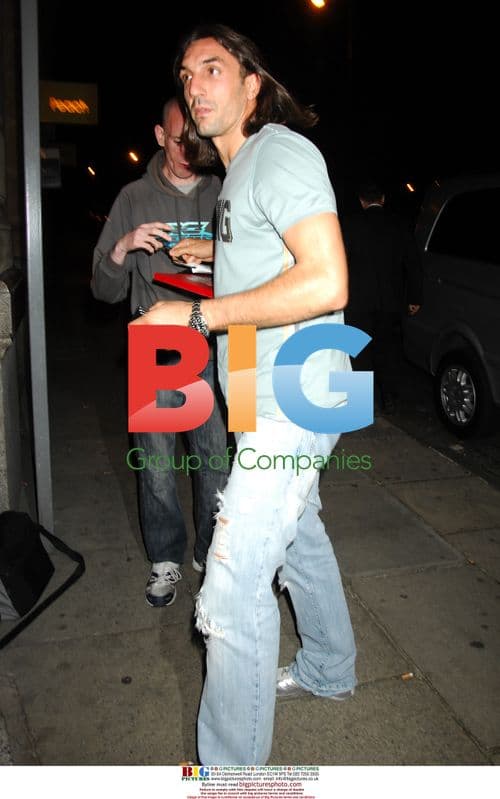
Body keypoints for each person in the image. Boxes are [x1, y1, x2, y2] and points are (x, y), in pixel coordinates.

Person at [131, 25, 357, 765]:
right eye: (187, 73)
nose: (196, 84)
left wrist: (197, 312)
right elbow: (267, 269)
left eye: (214, 68)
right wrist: (213, 258)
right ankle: (329, 665)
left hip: (296, 385)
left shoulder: (280, 151)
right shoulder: (237, 180)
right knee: (301, 536)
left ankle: (229, 781)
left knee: (230, 586)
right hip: (267, 390)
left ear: (252, 83)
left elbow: (326, 279)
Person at [91, 98, 228, 608]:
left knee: (216, 458)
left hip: (216, 338)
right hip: (155, 342)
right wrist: (123, 246)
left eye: (196, 140)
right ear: (157, 134)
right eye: (177, 140)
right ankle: (166, 557)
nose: (189, 150)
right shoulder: (133, 196)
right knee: (154, 462)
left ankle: (212, 552)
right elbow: (103, 290)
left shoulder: (223, 191)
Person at [341, 181, 422, 413]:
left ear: (361, 201)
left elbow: (341, 261)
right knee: (388, 350)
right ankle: (390, 398)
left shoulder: (350, 224)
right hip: (391, 300)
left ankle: (358, 405)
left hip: (358, 301)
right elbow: (413, 263)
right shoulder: (399, 224)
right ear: (383, 199)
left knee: (358, 352)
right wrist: (415, 297)